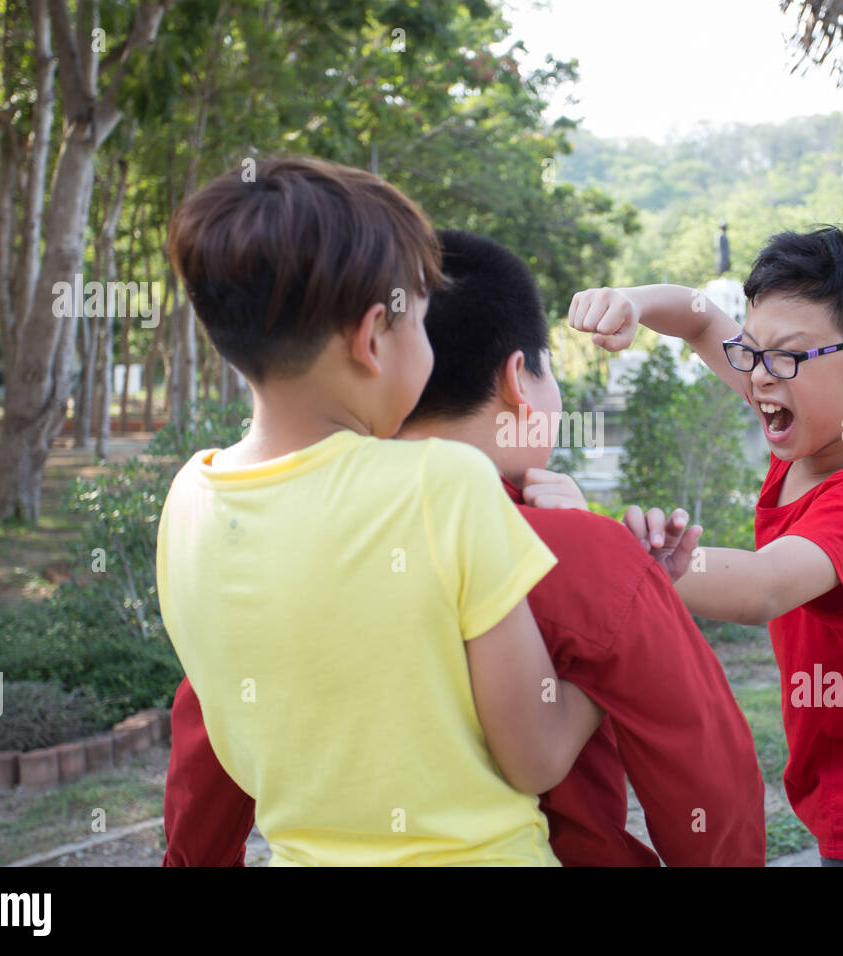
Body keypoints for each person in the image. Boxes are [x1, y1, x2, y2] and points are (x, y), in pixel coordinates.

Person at [163, 229, 766, 867]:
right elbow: (705, 775)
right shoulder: (585, 552)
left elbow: (210, 741)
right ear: (517, 380)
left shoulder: (274, 532)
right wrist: (627, 571)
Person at [156, 158, 602, 866]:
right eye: (422, 322)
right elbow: (538, 754)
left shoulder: (189, 499)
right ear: (372, 339)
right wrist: (607, 658)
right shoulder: (445, 484)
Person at [567, 217, 843, 866]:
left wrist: (611, 554)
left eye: (786, 356)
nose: (760, 376)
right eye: (754, 352)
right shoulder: (817, 418)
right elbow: (701, 319)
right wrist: (631, 300)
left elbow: (764, 585)